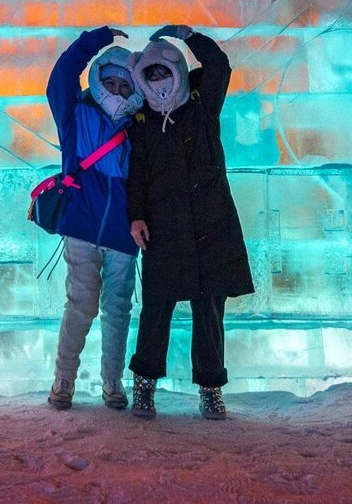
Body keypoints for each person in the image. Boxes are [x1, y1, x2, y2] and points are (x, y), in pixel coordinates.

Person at [125, 24, 253, 420]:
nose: (160, 81)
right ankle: (144, 386)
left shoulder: (202, 103)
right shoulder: (143, 121)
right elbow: (138, 173)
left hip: (211, 221)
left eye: (165, 71)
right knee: (157, 307)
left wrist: (188, 35)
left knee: (210, 307)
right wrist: (136, 217)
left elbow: (218, 64)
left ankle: (211, 388)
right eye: (152, 74)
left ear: (178, 69)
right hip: (165, 226)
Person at [45, 26, 144, 410]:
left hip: (122, 234)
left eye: (125, 84)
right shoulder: (75, 114)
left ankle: (112, 383)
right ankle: (63, 380)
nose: (118, 89)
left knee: (118, 308)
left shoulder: (139, 126)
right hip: (82, 227)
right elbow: (61, 77)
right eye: (111, 80)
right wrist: (94, 39)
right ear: (98, 77)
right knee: (81, 303)